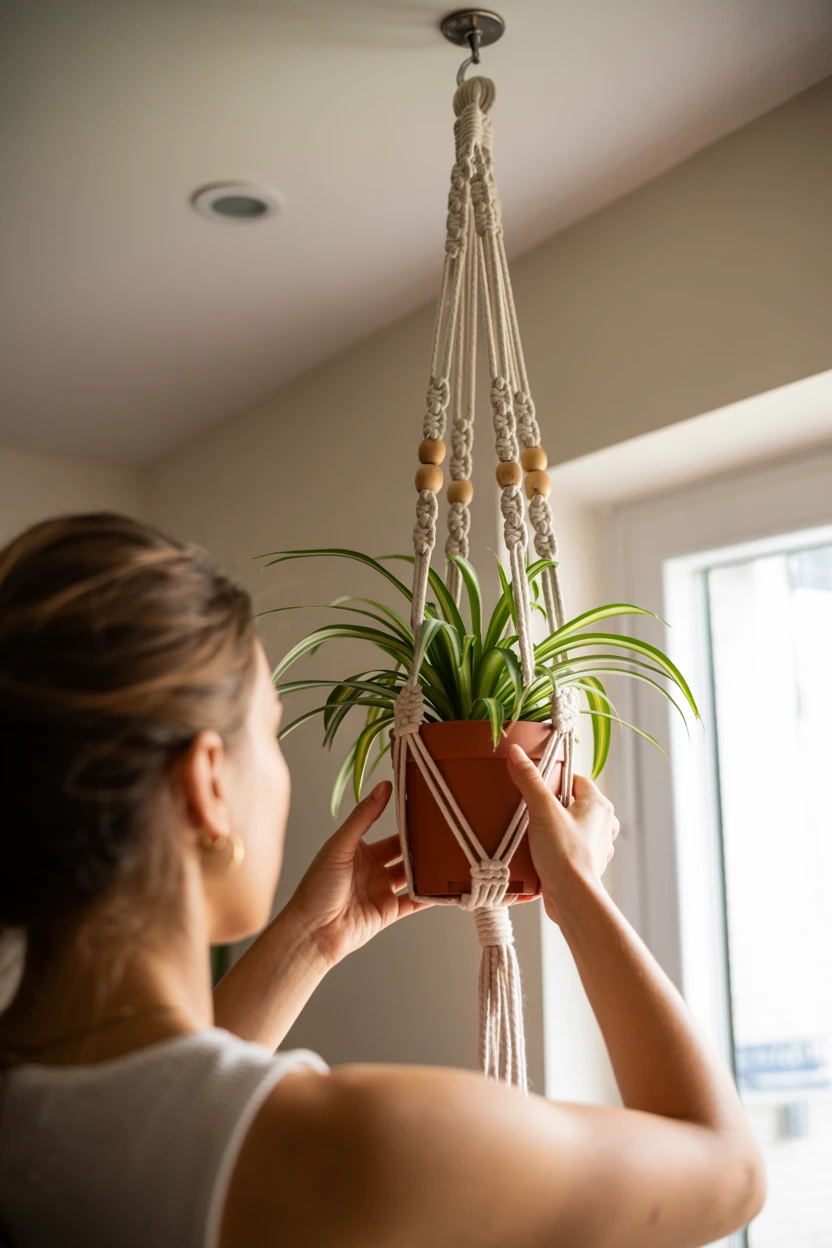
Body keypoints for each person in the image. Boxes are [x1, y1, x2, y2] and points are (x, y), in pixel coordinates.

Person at [0, 512, 764, 1248]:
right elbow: (728, 1171)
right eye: (266, 731)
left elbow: (164, 1112)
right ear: (209, 782)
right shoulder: (354, 1145)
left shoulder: (38, 1110)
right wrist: (578, 893)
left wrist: (311, 938)